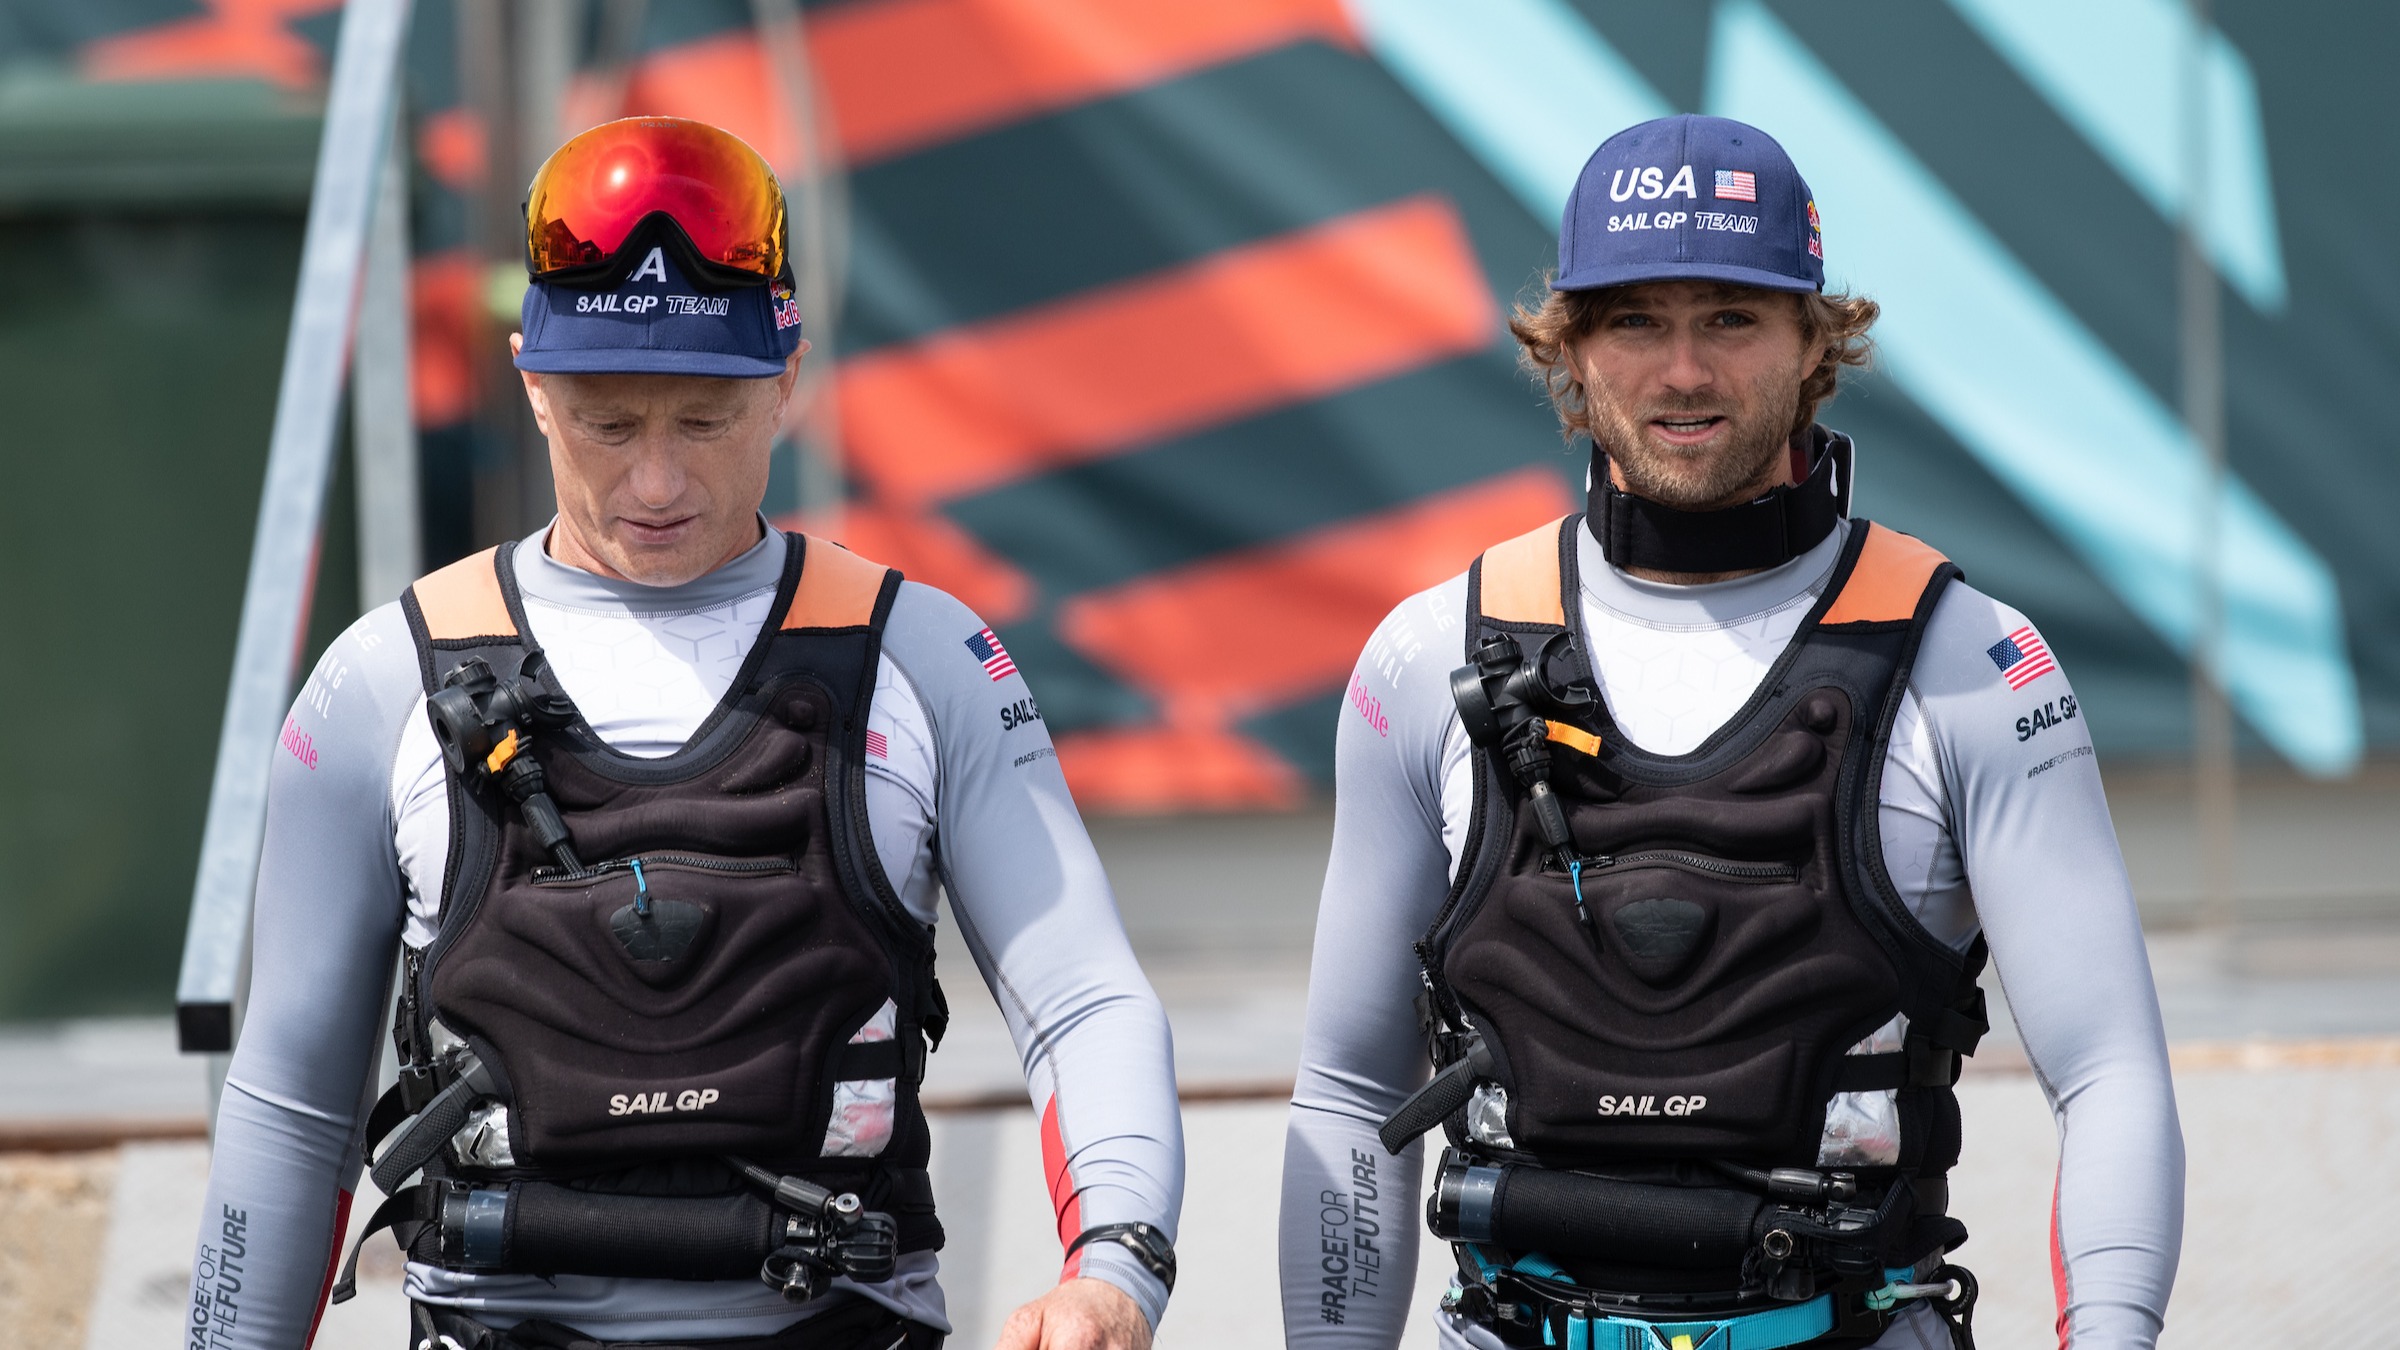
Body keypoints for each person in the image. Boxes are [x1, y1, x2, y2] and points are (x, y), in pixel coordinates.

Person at [186, 117, 1180, 1350]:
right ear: (532, 383)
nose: (657, 484)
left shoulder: (927, 659)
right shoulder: (381, 680)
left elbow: (1083, 1000)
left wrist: (1115, 1268)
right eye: (610, 424)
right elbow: (291, 1103)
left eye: (705, 421)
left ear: (790, 380)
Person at [1277, 115, 2183, 1349]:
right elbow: (1347, 1092)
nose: (1684, 372)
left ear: (1816, 340)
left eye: (1730, 319)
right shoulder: (1424, 657)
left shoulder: (1971, 659)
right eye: (1635, 321)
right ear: (1571, 349)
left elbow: (2110, 1075)